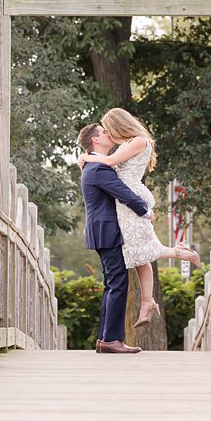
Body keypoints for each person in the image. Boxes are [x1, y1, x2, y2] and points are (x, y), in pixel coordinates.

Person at [78, 108, 202, 328]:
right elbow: (109, 165)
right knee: (139, 252)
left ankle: (181, 254)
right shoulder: (128, 145)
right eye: (104, 131)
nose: (109, 133)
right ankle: (148, 300)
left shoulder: (138, 141)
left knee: (141, 250)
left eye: (110, 128)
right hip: (126, 199)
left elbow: (109, 162)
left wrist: (85, 157)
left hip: (130, 197)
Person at [78, 122, 152, 354]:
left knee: (112, 283)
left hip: (102, 230)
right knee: (118, 283)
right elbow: (122, 192)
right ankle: (112, 339)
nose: (109, 134)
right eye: (104, 132)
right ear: (95, 140)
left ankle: (105, 338)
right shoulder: (100, 169)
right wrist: (144, 209)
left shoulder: (94, 166)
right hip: (107, 230)